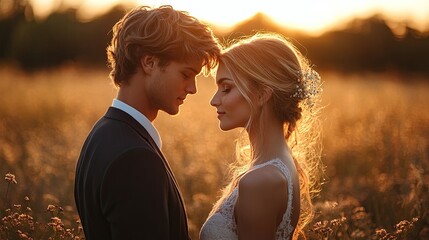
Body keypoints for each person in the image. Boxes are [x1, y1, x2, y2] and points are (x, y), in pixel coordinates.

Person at [74, 5, 220, 239]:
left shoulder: (102, 133)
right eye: (185, 74)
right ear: (149, 62)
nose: (192, 89)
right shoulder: (135, 158)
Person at [200, 32, 324, 240]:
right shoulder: (278, 163)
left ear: (262, 94)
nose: (214, 100)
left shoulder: (260, 181)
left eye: (226, 88)